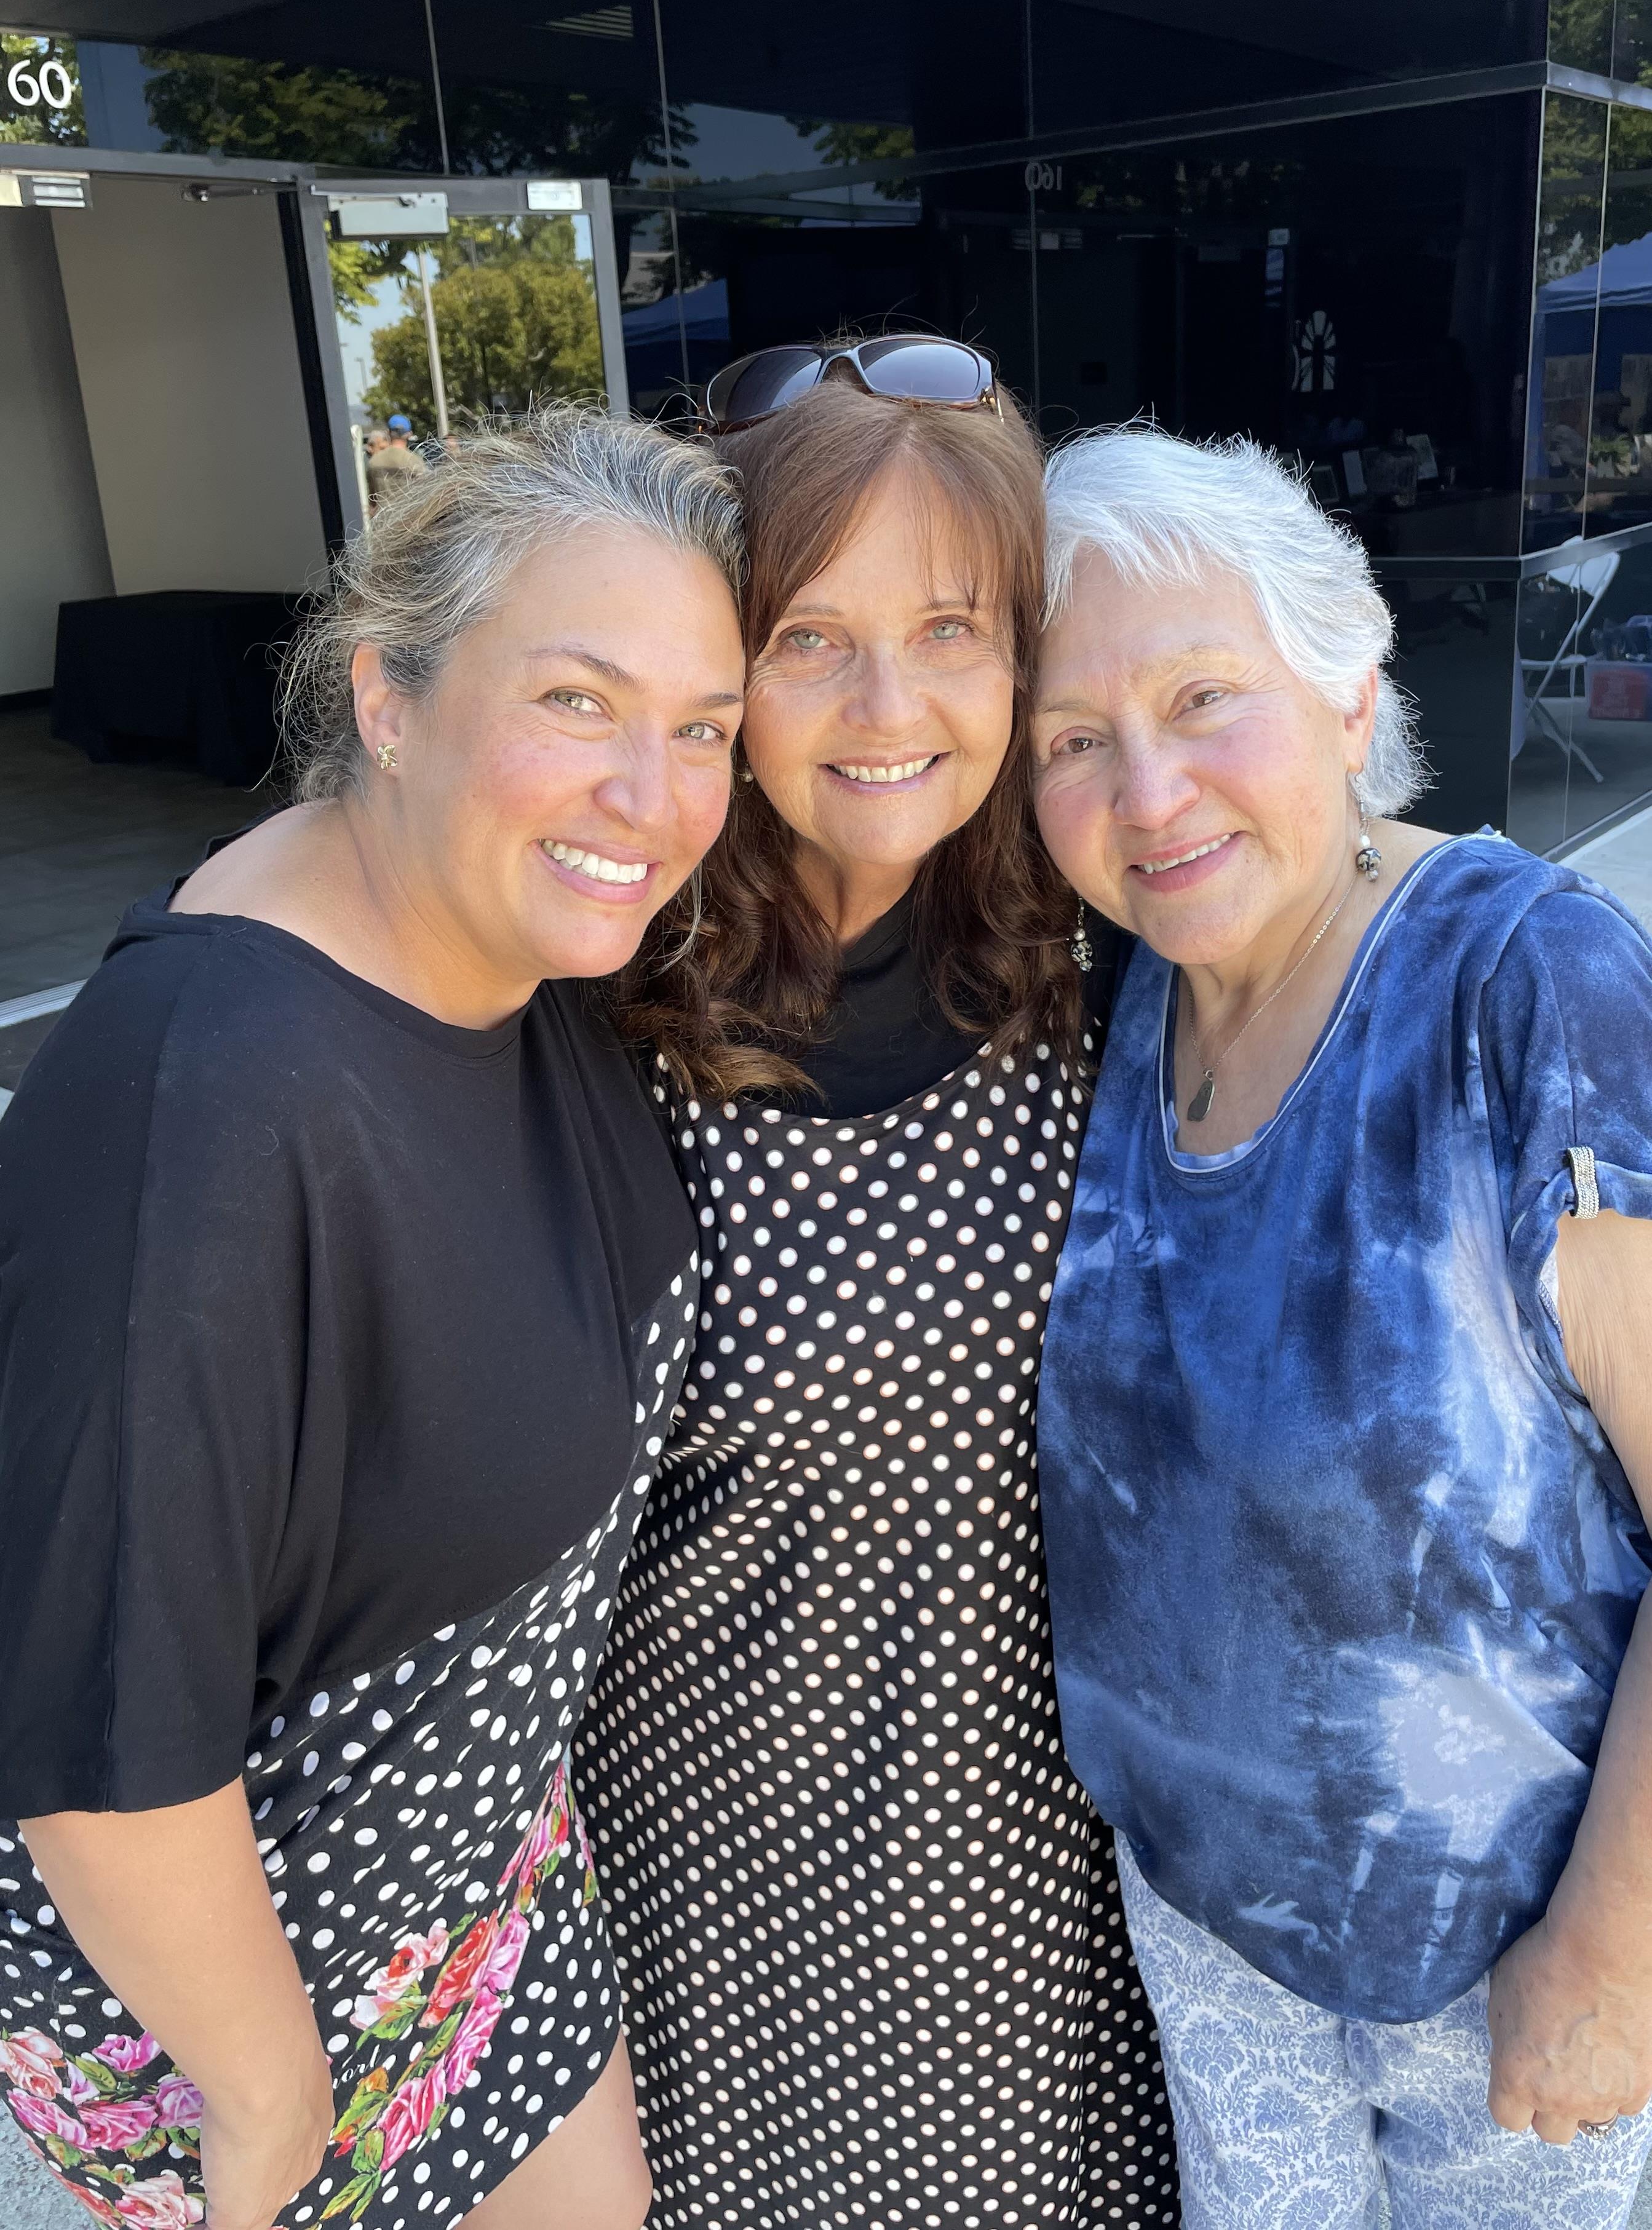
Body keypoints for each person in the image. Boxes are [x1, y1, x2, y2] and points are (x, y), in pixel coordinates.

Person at [0, 411, 745, 2230]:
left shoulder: (527, 957)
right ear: (386, 700)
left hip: (483, 1888)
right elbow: (98, 1737)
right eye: (575, 699)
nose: (651, 796)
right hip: (247, 1998)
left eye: (702, 726)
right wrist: (260, 2099)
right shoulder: (209, 1108)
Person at [577, 341, 1179, 2229]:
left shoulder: (1106, 961)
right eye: (810, 635)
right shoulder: (581, 1004)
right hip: (727, 1897)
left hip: (1063, 1887)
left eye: (950, 626)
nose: (889, 700)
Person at [1030, 424, 1652, 2229]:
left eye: (1201, 694)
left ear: (1346, 677)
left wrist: (1613, 1948)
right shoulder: (1137, 994)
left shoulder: (1527, 984)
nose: (1147, 791)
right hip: (1210, 1926)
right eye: (1074, 739)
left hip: (1511, 1944)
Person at [365, 419, 430, 509]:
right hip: (408, 517)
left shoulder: (374, 461)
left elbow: (372, 499)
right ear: (409, 434)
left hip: (382, 518)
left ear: (388, 433)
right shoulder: (415, 461)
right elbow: (424, 494)